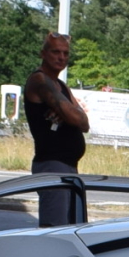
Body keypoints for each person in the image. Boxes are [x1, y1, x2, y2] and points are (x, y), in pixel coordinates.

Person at [22, 32, 88, 227]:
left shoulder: (61, 86)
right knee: (55, 230)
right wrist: (71, 114)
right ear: (43, 53)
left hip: (68, 165)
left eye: (66, 53)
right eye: (56, 52)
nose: (61, 57)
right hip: (52, 164)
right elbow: (76, 117)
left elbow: (84, 123)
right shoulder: (40, 81)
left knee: (70, 228)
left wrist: (70, 113)